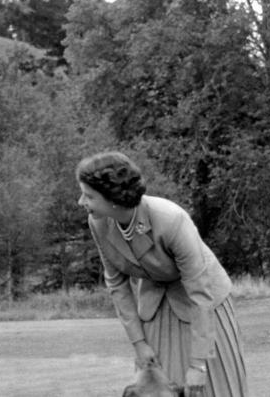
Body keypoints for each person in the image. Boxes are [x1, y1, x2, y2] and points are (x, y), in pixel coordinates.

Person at [76, 151, 248, 397]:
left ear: (112, 198)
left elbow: (200, 293)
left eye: (89, 196)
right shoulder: (98, 222)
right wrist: (140, 344)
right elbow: (117, 286)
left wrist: (198, 364)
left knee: (209, 388)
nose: (81, 202)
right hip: (156, 308)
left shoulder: (171, 219)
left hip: (205, 307)